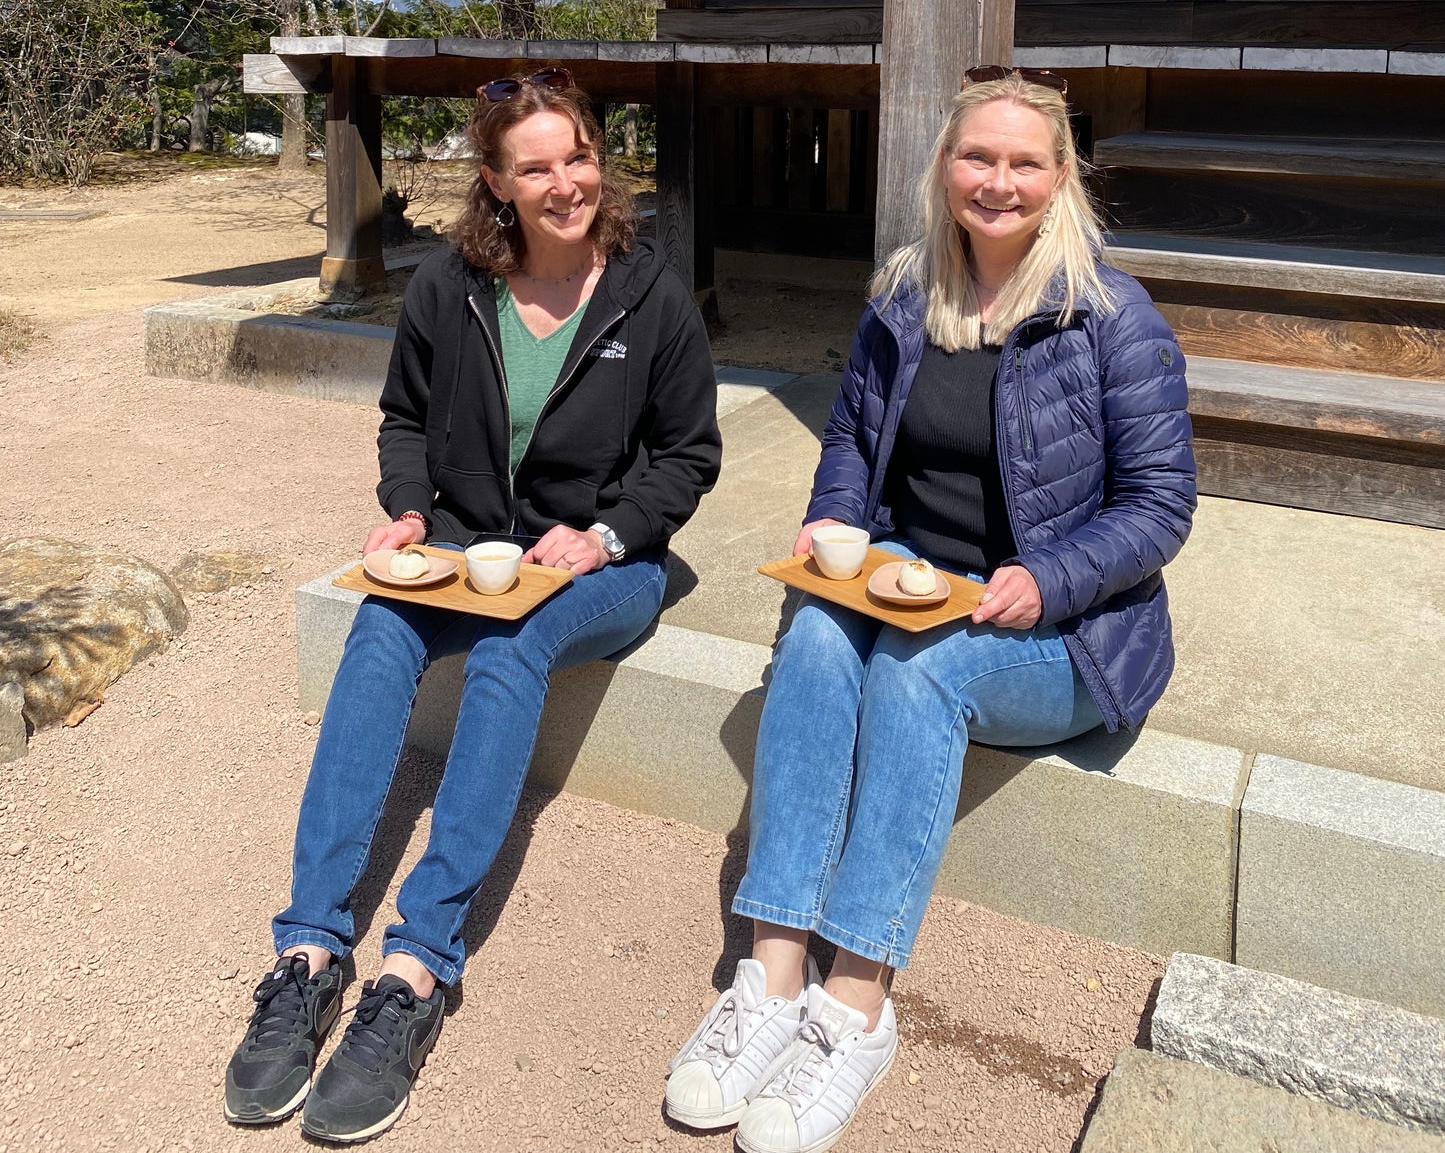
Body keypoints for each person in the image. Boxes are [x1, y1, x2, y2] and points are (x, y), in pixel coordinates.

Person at [665, 69, 1195, 1153]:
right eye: (976, 156)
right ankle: (767, 977)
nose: (996, 181)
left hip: (1062, 628)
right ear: (943, 166)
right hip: (912, 577)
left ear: (1060, 178)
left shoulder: (1108, 314)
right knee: (814, 633)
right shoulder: (905, 294)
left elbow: (1159, 503)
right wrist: (831, 528)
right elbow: (853, 444)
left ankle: (854, 1002)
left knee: (918, 671)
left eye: (1023, 161)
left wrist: (1050, 577)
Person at [225, 68, 721, 1144]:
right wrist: (406, 513)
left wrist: (602, 534)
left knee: (515, 644)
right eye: (534, 165)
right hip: (459, 549)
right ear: (494, 181)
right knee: (378, 625)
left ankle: (415, 966)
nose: (565, 182)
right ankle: (308, 948)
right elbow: (403, 421)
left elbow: (688, 457)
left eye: (578, 156)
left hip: (601, 569)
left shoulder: (651, 288)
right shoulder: (450, 288)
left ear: (600, 160)